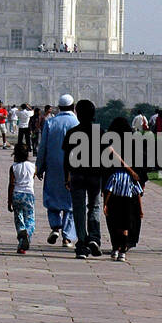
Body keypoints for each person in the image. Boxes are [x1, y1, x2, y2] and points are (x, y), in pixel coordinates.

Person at [62, 99, 104, 259]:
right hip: (94, 176)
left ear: (78, 114)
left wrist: (67, 177)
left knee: (78, 209)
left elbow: (66, 159)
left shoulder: (72, 133)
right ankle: (94, 238)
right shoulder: (100, 132)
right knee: (93, 207)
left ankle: (82, 243)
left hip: (77, 176)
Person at [36, 95, 78, 248]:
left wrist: (39, 167)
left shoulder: (50, 123)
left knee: (52, 197)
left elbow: (42, 148)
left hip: (53, 166)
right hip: (73, 168)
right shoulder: (77, 123)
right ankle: (67, 237)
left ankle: (55, 227)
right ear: (73, 107)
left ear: (58, 107)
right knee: (71, 202)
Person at [103, 117, 144, 262]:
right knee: (130, 215)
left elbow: (104, 167)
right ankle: (127, 242)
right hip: (130, 185)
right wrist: (141, 182)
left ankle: (116, 243)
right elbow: (141, 165)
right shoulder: (134, 143)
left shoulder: (109, 142)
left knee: (113, 216)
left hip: (113, 186)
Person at [6, 142, 37, 253]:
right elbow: (33, 177)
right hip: (28, 195)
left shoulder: (13, 167)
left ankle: (21, 240)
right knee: (30, 219)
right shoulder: (33, 166)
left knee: (19, 219)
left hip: (16, 195)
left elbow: (11, 184)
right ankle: (27, 234)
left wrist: (9, 201)